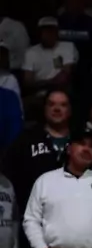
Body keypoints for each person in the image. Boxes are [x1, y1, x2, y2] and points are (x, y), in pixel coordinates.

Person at [6, 90, 74, 218]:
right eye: (51, 104)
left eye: (63, 105)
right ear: (44, 109)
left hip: (75, 217)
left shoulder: (81, 141)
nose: (57, 109)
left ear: (70, 110)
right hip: (35, 218)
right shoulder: (26, 140)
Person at [21, 17, 77, 96]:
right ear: (39, 33)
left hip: (62, 92)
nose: (49, 34)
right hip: (39, 94)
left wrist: (43, 83)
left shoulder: (68, 47)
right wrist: (49, 83)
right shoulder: (30, 52)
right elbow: (28, 81)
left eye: (52, 31)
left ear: (57, 32)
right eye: (45, 31)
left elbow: (65, 76)